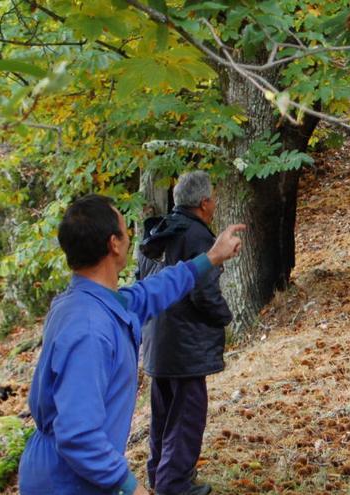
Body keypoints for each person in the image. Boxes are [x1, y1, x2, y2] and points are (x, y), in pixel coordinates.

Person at [17, 194, 245, 495]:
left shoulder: (94, 303)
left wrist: (212, 256)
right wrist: (128, 486)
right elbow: (77, 434)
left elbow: (153, 290)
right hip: (66, 482)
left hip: (75, 475)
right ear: (113, 243)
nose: (129, 238)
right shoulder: (89, 330)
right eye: (126, 231)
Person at [139, 171, 231, 495]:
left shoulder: (156, 232)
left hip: (155, 340)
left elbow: (143, 282)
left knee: (163, 414)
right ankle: (174, 485)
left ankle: (159, 478)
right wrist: (225, 317)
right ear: (204, 203)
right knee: (186, 416)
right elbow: (203, 292)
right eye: (214, 198)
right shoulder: (198, 237)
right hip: (185, 343)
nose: (215, 204)